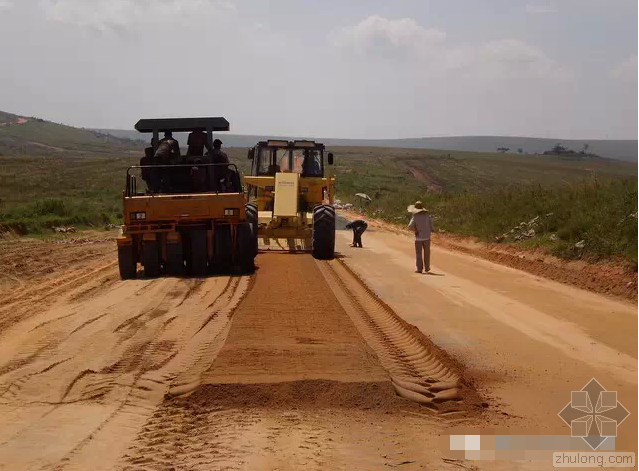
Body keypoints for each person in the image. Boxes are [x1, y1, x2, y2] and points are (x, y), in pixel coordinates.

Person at [407, 201, 434, 273]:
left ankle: (419, 269)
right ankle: (427, 268)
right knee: (427, 253)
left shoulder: (415, 216)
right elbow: (432, 227)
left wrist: (416, 230)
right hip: (427, 237)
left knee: (419, 253)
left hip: (418, 238)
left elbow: (409, 227)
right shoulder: (427, 216)